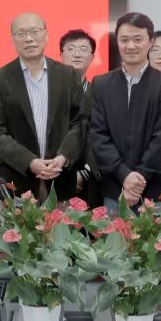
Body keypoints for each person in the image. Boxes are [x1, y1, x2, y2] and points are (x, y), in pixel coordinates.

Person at [0, 13, 85, 201]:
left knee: (61, 222)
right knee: (19, 222)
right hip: (18, 181)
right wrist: (29, 161)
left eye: (34, 32)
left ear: (46, 35)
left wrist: (64, 157)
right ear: (13, 38)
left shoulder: (67, 75)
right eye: (21, 33)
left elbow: (79, 123)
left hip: (61, 178)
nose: (29, 38)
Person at [89, 12, 161, 212]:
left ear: (150, 42)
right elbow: (97, 135)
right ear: (117, 42)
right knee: (112, 235)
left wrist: (138, 179)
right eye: (124, 40)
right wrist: (124, 175)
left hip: (154, 194)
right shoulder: (101, 85)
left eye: (138, 39)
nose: (131, 46)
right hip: (115, 191)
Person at [60, 28, 102, 207]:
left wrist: (84, 173)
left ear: (92, 57)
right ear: (61, 55)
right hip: (55, 174)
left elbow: (101, 137)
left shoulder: (101, 93)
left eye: (83, 49)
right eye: (71, 49)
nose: (77, 54)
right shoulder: (50, 94)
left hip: (91, 178)